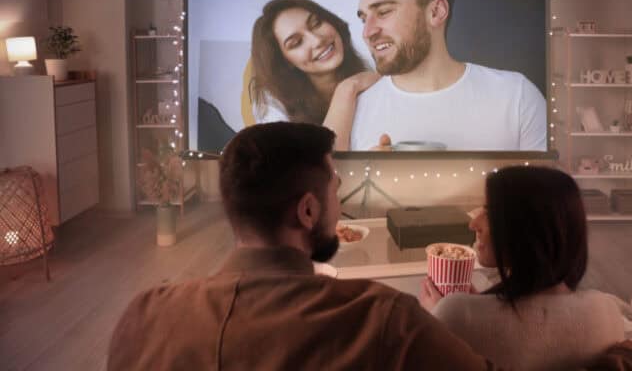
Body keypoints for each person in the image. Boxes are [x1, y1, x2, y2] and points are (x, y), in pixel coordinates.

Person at [108, 122, 498, 370]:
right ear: (308, 210)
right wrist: (452, 317)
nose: (339, 205)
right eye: (335, 189)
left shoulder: (143, 317)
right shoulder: (384, 319)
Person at [419, 166, 625, 370]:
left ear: (525, 228)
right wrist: (479, 302)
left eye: (489, 212)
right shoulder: (607, 313)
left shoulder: (456, 315)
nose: (473, 224)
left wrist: (434, 321)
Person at [351, 0, 547, 151]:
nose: (368, 32)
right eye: (363, 19)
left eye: (384, 12)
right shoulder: (355, 112)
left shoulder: (517, 97)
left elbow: (545, 186)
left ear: (436, 12)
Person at [250, 0, 379, 150]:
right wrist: (346, 90)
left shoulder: (367, 70)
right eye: (296, 43)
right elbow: (324, 161)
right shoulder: (273, 105)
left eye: (316, 24)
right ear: (285, 62)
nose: (317, 40)